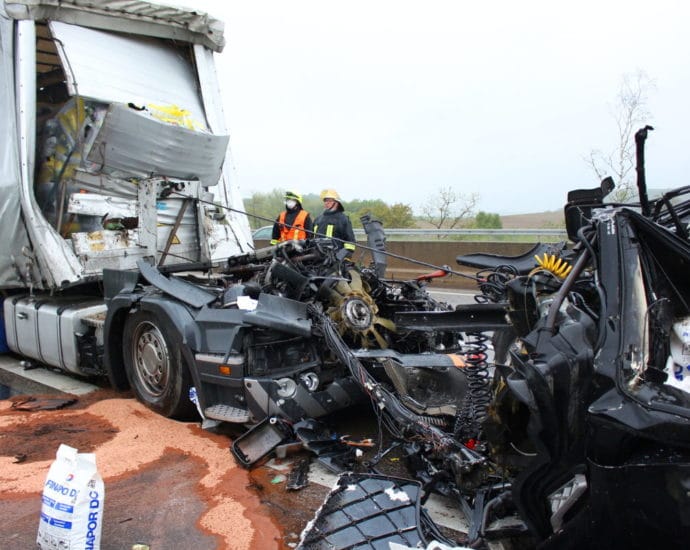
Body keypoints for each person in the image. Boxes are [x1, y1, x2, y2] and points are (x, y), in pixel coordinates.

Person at [313, 189, 356, 257]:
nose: (326, 203)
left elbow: (350, 244)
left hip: (334, 259)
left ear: (337, 202)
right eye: (325, 200)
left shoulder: (343, 219)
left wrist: (340, 257)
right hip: (317, 257)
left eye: (329, 201)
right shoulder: (318, 219)